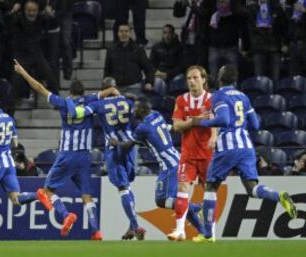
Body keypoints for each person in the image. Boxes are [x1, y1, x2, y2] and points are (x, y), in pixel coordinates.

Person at [189, 64, 297, 243]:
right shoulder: (243, 96)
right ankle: (278, 196)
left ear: (221, 77)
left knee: (210, 188)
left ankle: (208, 235)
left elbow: (223, 119)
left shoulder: (218, 96)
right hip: (246, 147)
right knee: (252, 189)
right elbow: (255, 124)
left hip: (227, 148)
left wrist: (200, 123)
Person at [13, 60, 119, 240]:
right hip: (85, 157)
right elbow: (109, 91)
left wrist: (22, 72)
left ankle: (65, 215)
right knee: (87, 196)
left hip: (67, 155)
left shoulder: (63, 103)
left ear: (70, 93)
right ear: (83, 93)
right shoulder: (90, 100)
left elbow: (39, 88)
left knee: (47, 191)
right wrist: (115, 93)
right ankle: (96, 231)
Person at [109, 98, 206, 240]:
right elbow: (168, 128)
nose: (132, 110)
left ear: (142, 109)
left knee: (161, 200)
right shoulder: (157, 114)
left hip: (169, 166)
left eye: (135, 107)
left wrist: (115, 142)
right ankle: (203, 231)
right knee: (176, 200)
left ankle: (196, 207)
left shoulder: (142, 128)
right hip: (177, 159)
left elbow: (128, 145)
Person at [69, 77, 146, 240]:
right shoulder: (128, 102)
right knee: (128, 187)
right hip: (130, 146)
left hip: (114, 147)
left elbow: (79, 113)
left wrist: (70, 104)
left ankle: (135, 225)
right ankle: (132, 226)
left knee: (123, 188)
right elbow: (141, 114)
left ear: (103, 90)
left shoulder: (99, 104)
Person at [0, 88, 45, 242]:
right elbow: (15, 142)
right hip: (8, 162)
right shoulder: (9, 118)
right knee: (16, 200)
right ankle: (37, 195)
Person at [168, 65, 216, 240]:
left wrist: (212, 136)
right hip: (188, 154)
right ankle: (180, 230)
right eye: (189, 78)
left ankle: (211, 234)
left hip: (207, 155)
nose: (191, 81)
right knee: (182, 188)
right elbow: (176, 125)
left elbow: (216, 123)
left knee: (209, 193)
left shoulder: (212, 100)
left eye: (195, 78)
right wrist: (195, 121)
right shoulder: (181, 100)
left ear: (204, 79)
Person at [104, 23, 154, 96]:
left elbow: (148, 68)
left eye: (126, 31)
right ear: (117, 33)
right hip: (116, 88)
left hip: (134, 87)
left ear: (130, 33)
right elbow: (107, 70)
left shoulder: (138, 50)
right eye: (121, 31)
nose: (124, 34)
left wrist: (149, 82)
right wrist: (106, 86)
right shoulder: (111, 50)